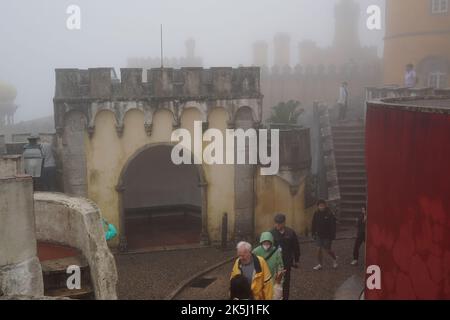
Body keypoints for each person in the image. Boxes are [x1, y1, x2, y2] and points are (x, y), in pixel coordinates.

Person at [270, 214, 300, 300]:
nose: (277, 225)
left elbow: (296, 247)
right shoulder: (271, 233)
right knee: (275, 281)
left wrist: (296, 259)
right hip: (275, 262)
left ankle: (285, 297)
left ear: (284, 223)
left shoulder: (290, 232)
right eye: (276, 223)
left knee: (286, 282)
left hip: (286, 261)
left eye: (279, 223)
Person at [253, 232, 285, 300]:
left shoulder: (276, 252)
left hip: (272, 279)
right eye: (264, 242)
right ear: (261, 242)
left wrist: (280, 280)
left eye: (268, 242)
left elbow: (280, 265)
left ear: (271, 242)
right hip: (260, 279)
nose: (266, 244)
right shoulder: (255, 251)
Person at [312, 199, 338, 270]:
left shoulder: (329, 214)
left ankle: (334, 259)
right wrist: (313, 233)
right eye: (320, 206)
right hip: (318, 235)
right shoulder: (316, 213)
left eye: (322, 206)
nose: (321, 207)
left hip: (327, 236)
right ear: (318, 206)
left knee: (327, 250)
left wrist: (333, 236)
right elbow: (313, 223)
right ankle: (320, 264)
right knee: (318, 250)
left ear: (325, 206)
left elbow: (333, 225)